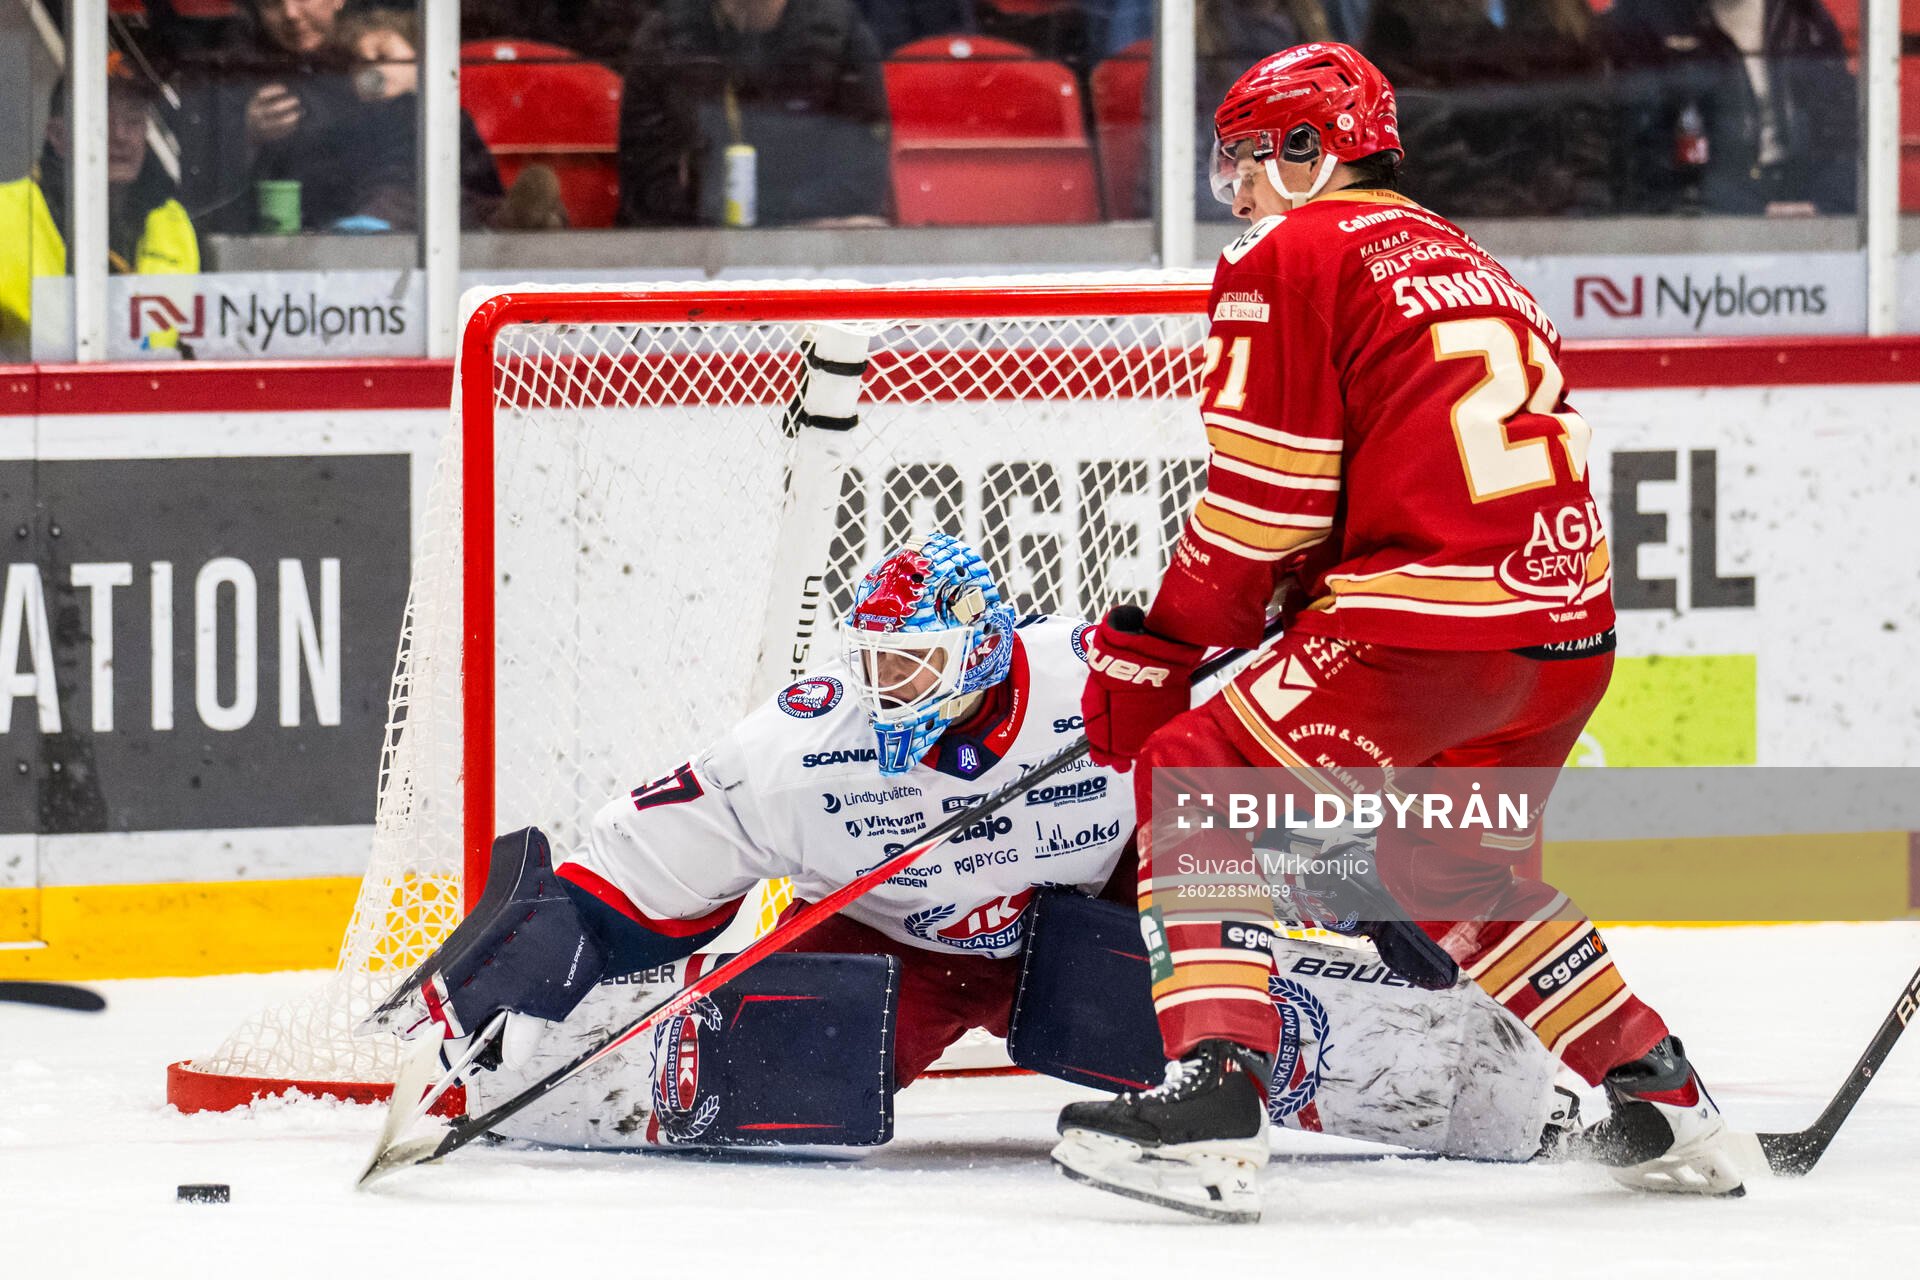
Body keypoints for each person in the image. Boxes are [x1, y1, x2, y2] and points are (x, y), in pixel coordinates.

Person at [1053, 42, 1746, 1223]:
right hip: (1565, 634)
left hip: (1431, 628)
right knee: (1451, 866)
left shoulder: (1296, 251)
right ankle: (1658, 1087)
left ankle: (1216, 1097)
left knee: (1195, 778)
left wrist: (1161, 646)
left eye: (1251, 163)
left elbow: (1262, 507)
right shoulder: (1474, 260)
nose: (1242, 194)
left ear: (1311, 150)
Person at [369, 532, 1582, 1170]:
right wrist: (563, 937)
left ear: (981, 650)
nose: (881, 691)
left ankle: (1528, 1087)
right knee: (751, 1071)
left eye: (910, 665)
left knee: (1228, 1012)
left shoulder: (1107, 681)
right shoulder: (802, 752)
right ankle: (504, 1073)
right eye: (871, 662)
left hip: (1105, 911)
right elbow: (640, 870)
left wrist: (1368, 887)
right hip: (898, 940)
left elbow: (1256, 760)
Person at [616, 0, 891, 227]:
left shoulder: (839, 32)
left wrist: (778, 227)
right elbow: (645, 189)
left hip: (811, 250)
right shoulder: (665, 36)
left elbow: (862, 180)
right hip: (697, 256)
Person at [1, 54, 198, 359]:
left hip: (148, 400)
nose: (120, 136)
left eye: (133, 121)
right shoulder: (5, 213)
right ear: (57, 136)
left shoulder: (172, 220)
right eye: (100, 120)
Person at [1360, 0, 1614, 217]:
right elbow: (1416, 131)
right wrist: (1512, 211)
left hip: (1571, 229)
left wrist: (1579, 200)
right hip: (1454, 229)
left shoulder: (1562, 11)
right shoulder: (1405, 12)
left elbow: (1592, 122)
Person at [1602, 0, 1857, 215]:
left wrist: (1822, 207)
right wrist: (1749, 213)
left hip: (1805, 222)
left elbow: (1841, 139)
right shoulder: (1641, 21)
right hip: (1702, 229)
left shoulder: (1803, 17)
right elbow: (1645, 163)